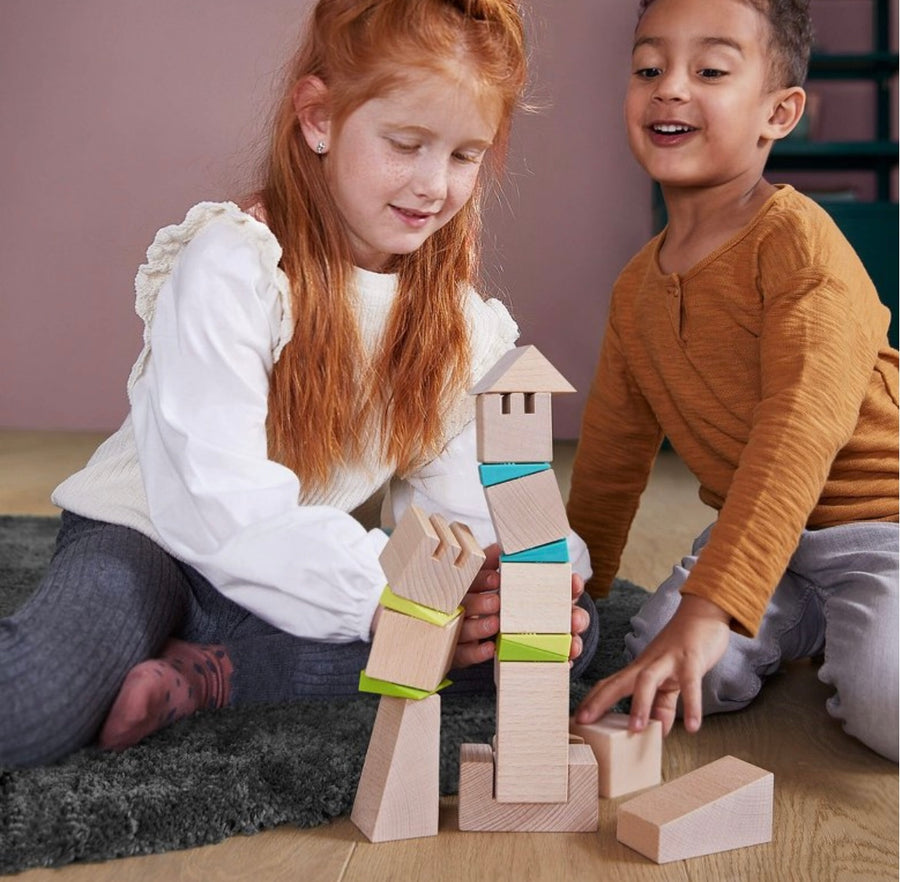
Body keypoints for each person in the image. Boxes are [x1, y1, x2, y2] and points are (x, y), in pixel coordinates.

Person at [1, 0, 598, 769]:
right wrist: (386, 603)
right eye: (406, 144)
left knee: (533, 650)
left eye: (463, 155)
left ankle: (213, 675)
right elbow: (219, 507)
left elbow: (461, 513)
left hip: (291, 565)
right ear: (319, 119)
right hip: (152, 538)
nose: (432, 185)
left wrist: (515, 585)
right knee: (31, 706)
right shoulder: (233, 263)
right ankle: (214, 654)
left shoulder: (459, 325)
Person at [568, 0, 899, 762]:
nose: (669, 89)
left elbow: (798, 432)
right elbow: (613, 459)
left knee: (891, 708)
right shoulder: (634, 289)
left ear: (778, 113)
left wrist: (715, 604)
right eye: (648, 69)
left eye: (709, 71)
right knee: (659, 660)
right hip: (764, 536)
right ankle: (803, 621)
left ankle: (827, 625)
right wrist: (575, 587)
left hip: (883, 527)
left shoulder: (801, 246)